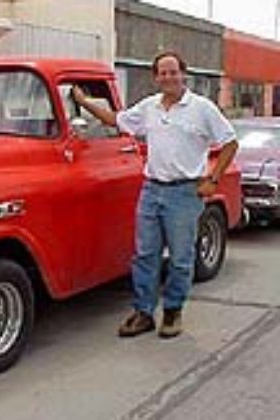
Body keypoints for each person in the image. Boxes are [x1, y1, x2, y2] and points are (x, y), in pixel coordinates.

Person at [72, 51, 238, 338]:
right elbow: (116, 120)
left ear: (183, 74)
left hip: (184, 192)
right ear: (156, 77)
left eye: (173, 72)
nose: (168, 77)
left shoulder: (202, 108)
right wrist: (85, 102)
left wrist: (213, 179)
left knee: (180, 258)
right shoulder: (149, 107)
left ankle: (173, 312)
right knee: (145, 255)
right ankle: (143, 313)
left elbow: (230, 143)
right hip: (151, 189)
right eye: (163, 72)